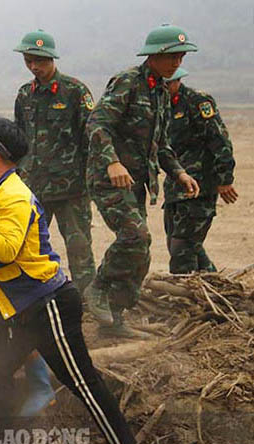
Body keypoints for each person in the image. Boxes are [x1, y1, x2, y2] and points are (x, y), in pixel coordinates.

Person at [0, 113, 142, 444]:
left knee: (82, 381)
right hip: (15, 309)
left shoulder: (15, 196)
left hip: (47, 304)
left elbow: (7, 249)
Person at [85, 24, 200, 338]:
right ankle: (97, 287)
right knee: (136, 236)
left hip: (136, 183)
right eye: (173, 56)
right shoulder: (128, 83)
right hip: (109, 179)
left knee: (141, 254)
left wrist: (179, 172)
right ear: (155, 55)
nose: (178, 62)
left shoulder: (161, 91)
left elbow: (160, 144)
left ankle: (115, 321)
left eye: (181, 56)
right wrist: (112, 163)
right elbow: (97, 124)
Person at [13, 29, 96, 296]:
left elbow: (92, 137)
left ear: (52, 59)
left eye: (39, 60)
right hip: (34, 191)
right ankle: (36, 299)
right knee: (30, 250)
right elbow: (19, 139)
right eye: (28, 61)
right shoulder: (25, 94)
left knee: (80, 250)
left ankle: (87, 303)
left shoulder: (75, 92)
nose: (34, 66)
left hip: (72, 189)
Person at [163, 68, 237, 273]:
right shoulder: (160, 105)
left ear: (177, 81)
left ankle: (183, 299)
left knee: (182, 248)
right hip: (175, 188)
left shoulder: (197, 102)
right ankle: (215, 288)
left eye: (168, 83)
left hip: (201, 187)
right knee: (181, 245)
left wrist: (225, 178)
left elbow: (219, 140)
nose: (164, 88)